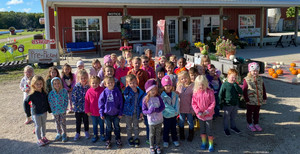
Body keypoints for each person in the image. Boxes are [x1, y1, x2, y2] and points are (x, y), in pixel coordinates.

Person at [24, 75, 51, 146]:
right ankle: (39, 139)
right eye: (37, 84)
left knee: (44, 124)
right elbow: (26, 102)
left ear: (43, 84)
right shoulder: (32, 94)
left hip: (44, 112)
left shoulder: (44, 93)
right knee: (38, 126)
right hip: (36, 113)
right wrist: (28, 113)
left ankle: (43, 137)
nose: (39, 85)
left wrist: (49, 110)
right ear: (33, 84)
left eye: (41, 84)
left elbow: (47, 102)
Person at [192, 75, 216, 152]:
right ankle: (203, 142)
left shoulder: (210, 92)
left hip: (208, 115)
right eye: (199, 84)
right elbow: (194, 104)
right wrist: (198, 112)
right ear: (196, 85)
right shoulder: (195, 93)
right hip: (200, 116)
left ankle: (211, 144)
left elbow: (213, 103)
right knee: (202, 129)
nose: (201, 86)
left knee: (209, 129)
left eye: (202, 84)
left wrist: (207, 111)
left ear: (206, 83)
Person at [99, 77, 123, 149]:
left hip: (116, 114)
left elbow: (121, 102)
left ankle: (118, 139)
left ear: (114, 83)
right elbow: (101, 103)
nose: (110, 84)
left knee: (117, 127)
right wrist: (101, 113)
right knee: (108, 128)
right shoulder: (104, 92)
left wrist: (120, 112)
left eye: (112, 82)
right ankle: (108, 140)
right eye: (108, 83)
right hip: (107, 114)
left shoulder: (117, 91)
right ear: (105, 84)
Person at [142, 79, 165, 154]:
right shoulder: (145, 99)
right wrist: (149, 112)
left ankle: (157, 145)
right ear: (148, 90)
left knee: (158, 133)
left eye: (155, 89)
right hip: (151, 121)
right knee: (151, 134)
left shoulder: (159, 97)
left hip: (159, 119)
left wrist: (158, 109)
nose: (153, 91)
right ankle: (151, 146)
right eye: (151, 89)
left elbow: (163, 106)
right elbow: (144, 111)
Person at [242, 62, 267, 132]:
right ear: (250, 71)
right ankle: (249, 123)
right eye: (254, 71)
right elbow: (244, 90)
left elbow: (263, 88)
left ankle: (256, 123)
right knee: (249, 112)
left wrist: (264, 97)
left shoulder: (260, 79)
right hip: (250, 100)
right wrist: (246, 99)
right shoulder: (247, 79)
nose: (255, 72)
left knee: (257, 112)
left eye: (257, 71)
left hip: (258, 99)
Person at [123, 74, 145, 147]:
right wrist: (132, 92)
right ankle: (130, 138)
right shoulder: (126, 91)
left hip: (136, 112)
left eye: (134, 82)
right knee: (129, 126)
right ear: (128, 84)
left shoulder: (139, 91)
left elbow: (141, 102)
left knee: (136, 126)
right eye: (131, 83)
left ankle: (136, 138)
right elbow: (127, 99)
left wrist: (141, 111)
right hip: (128, 113)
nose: (133, 84)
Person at [219, 69, 243, 136]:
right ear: (228, 76)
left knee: (233, 117)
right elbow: (220, 94)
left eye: (235, 77)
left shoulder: (235, 85)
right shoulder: (225, 85)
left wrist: (236, 86)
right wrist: (220, 103)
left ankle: (233, 127)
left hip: (235, 104)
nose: (234, 79)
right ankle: (226, 128)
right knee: (226, 117)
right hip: (227, 104)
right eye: (232, 77)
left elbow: (241, 92)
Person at [85, 76, 106, 143]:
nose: (94, 84)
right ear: (90, 83)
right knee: (94, 124)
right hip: (92, 112)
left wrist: (105, 109)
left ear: (99, 83)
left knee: (101, 124)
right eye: (93, 83)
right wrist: (87, 110)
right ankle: (95, 135)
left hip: (101, 112)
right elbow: (86, 101)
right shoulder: (89, 91)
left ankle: (102, 134)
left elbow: (105, 100)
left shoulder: (102, 90)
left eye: (96, 83)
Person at [160, 75, 180, 148]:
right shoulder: (162, 96)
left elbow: (177, 103)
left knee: (174, 128)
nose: (168, 87)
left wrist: (176, 111)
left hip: (174, 115)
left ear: (171, 86)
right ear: (163, 87)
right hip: (167, 115)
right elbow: (165, 106)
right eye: (166, 85)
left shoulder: (174, 94)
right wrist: (174, 111)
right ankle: (166, 140)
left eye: (169, 85)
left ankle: (175, 139)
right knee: (166, 128)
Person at [71, 69, 90, 141]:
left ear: (87, 78)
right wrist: (74, 103)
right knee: (78, 121)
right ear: (79, 78)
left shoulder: (88, 87)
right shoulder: (76, 86)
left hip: (85, 108)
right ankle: (77, 132)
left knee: (86, 120)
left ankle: (86, 131)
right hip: (78, 108)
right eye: (82, 78)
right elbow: (73, 95)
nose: (83, 79)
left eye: (85, 78)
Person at [48, 77, 69, 142]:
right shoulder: (51, 93)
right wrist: (52, 110)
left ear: (60, 83)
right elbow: (50, 102)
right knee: (57, 123)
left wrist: (65, 107)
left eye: (58, 83)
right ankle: (58, 133)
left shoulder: (64, 91)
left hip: (62, 110)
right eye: (55, 84)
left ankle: (64, 134)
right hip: (55, 111)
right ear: (52, 85)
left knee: (63, 122)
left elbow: (66, 100)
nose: (57, 85)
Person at [176, 71, 195, 142]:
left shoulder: (192, 86)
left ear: (189, 77)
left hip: (189, 108)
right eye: (182, 79)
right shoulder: (179, 87)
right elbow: (177, 97)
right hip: (181, 108)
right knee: (181, 121)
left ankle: (191, 134)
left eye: (185, 78)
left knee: (190, 122)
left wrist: (193, 109)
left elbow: (194, 99)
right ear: (180, 80)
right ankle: (181, 134)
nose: (184, 80)